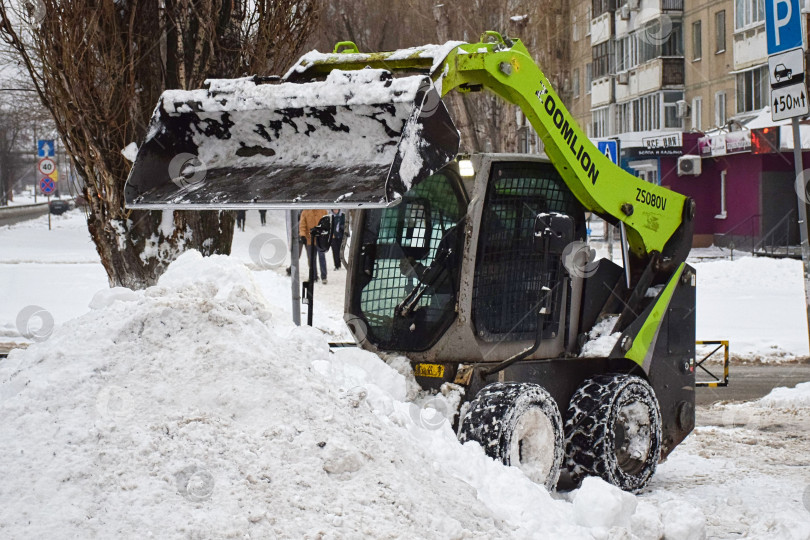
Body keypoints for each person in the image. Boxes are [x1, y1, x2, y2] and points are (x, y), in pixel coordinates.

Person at [299, 208, 329, 284]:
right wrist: (302, 235)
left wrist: (328, 236)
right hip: (310, 240)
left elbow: (328, 224)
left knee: (322, 257)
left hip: (320, 239)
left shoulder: (323, 211)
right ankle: (313, 276)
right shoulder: (305, 212)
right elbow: (302, 225)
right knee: (311, 259)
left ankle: (324, 276)